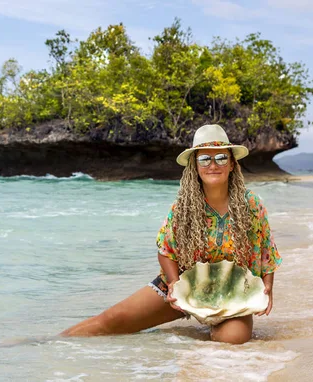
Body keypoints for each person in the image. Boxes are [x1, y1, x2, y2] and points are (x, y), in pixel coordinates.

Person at [60, 124, 282, 344]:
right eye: (205, 159)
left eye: (221, 158)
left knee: (231, 341)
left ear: (232, 164)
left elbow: (266, 252)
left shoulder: (251, 204)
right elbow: (165, 250)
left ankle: (209, 334)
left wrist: (267, 285)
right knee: (111, 322)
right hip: (181, 287)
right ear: (195, 166)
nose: (213, 165)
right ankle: (51, 342)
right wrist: (175, 284)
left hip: (232, 295)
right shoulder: (184, 206)